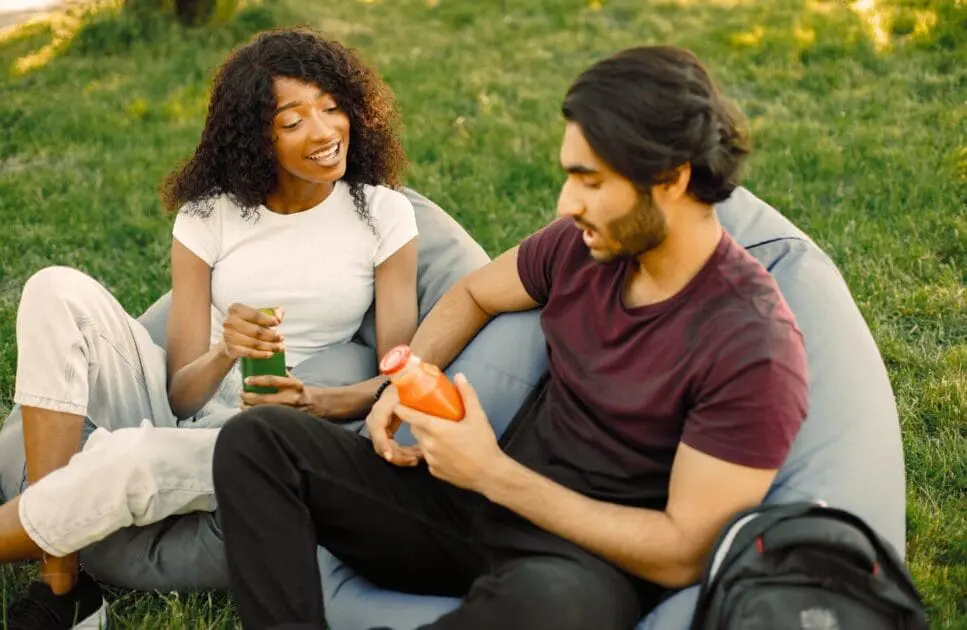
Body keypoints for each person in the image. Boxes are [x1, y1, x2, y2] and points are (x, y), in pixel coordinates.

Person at [211, 44, 812, 630]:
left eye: (590, 182)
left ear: (672, 180)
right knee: (257, 441)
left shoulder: (752, 346)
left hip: (581, 563)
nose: (566, 202)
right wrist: (401, 382)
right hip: (469, 511)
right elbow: (473, 293)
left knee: (547, 611)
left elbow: (683, 550)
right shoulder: (579, 247)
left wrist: (492, 472)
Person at [0, 27, 418, 630]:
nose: (325, 132)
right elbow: (179, 394)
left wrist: (321, 403)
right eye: (293, 119)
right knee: (51, 287)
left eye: (332, 107)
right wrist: (226, 348)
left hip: (264, 436)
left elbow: (393, 372)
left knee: (130, 458)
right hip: (188, 402)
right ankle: (64, 583)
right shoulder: (209, 215)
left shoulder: (382, 214)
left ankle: (58, 570)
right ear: (256, 135)